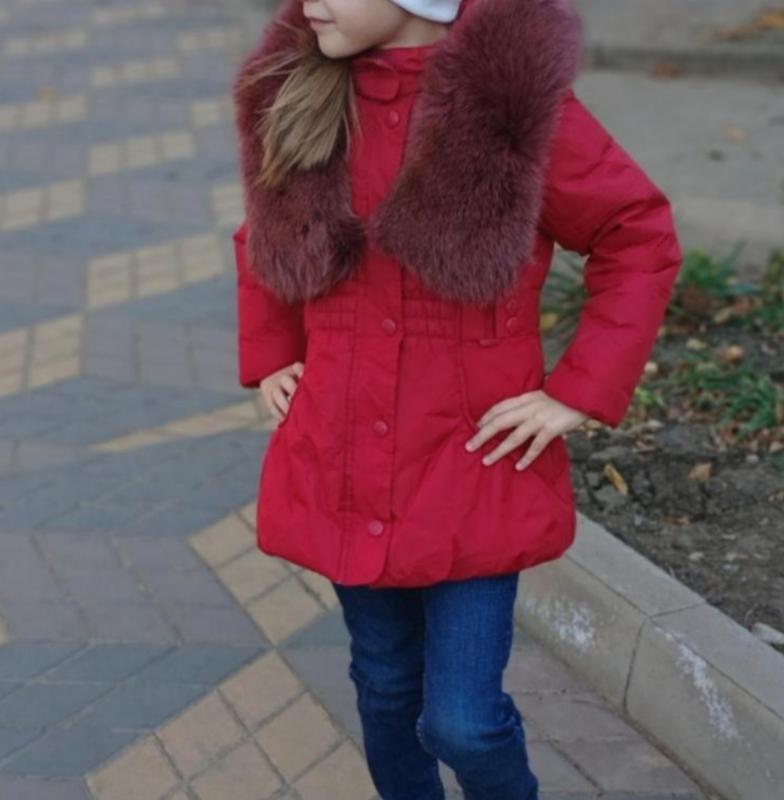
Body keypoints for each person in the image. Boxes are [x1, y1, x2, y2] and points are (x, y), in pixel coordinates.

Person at [231, 0, 683, 797]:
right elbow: (264, 233)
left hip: (473, 467)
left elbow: (635, 233)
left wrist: (578, 391)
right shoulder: (303, 94)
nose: (309, 2)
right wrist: (273, 355)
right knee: (385, 686)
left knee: (462, 721)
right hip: (343, 457)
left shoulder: (510, 108)